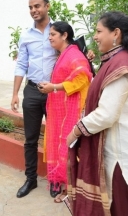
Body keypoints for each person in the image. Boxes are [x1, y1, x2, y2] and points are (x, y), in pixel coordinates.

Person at [66, 11, 128, 216]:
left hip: (122, 158)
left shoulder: (122, 65)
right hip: (120, 150)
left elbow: (106, 114)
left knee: (121, 208)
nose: (95, 36)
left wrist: (76, 132)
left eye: (99, 31)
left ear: (115, 33)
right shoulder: (118, 60)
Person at [11, 0, 95, 199]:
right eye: (30, 7)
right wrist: (15, 93)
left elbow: (77, 56)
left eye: (37, 6)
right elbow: (21, 64)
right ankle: (30, 179)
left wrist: (88, 55)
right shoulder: (26, 35)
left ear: (47, 6)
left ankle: (58, 179)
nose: (33, 11)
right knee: (30, 139)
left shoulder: (59, 31)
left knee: (60, 136)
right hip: (32, 90)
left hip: (57, 94)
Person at [37, 21, 93, 203]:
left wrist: (54, 87)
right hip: (59, 110)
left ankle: (71, 189)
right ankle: (62, 184)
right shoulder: (64, 54)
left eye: (53, 34)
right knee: (59, 145)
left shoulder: (74, 55)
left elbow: (83, 78)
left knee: (69, 148)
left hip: (71, 111)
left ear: (64, 35)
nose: (50, 37)